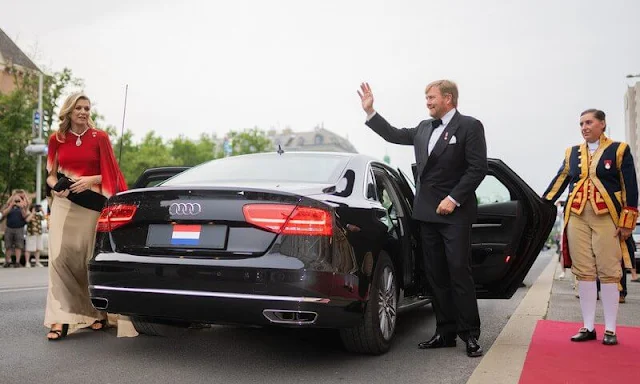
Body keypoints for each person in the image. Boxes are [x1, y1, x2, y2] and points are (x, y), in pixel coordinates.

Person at [358, 80, 488, 357]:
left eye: (431, 97)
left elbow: (478, 169)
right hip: (426, 214)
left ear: (448, 98)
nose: (427, 102)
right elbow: (393, 134)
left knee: (458, 272)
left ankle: (470, 335)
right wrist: (371, 112)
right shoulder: (423, 128)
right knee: (435, 275)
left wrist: (453, 199)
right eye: (426, 98)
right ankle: (445, 332)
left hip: (456, 212)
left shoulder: (470, 126)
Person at [543, 109, 638, 346]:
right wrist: (542, 203)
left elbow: (630, 187)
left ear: (602, 124)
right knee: (583, 271)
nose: (584, 127)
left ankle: (610, 329)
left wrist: (627, 222)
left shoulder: (619, 149)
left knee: (609, 271)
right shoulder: (572, 152)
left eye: (589, 122)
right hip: (576, 216)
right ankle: (587, 326)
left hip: (607, 217)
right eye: (581, 123)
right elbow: (560, 180)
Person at [44, 92, 127, 341]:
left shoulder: (99, 137)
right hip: (64, 205)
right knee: (59, 259)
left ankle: (96, 314)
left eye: (87, 108)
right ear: (69, 111)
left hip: (91, 206)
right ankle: (59, 319)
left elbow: (111, 173)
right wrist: (56, 188)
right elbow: (50, 173)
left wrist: (90, 180)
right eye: (78, 108)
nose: (83, 112)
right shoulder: (56, 139)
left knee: (86, 260)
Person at [1, 191, 31, 268]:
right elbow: (4, 213)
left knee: (19, 246)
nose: (16, 201)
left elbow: (25, 216)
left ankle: (17, 262)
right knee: (8, 246)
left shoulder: (23, 206)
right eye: (15, 200)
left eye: (18, 200)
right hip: (9, 228)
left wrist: (21, 207)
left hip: (19, 228)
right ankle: (7, 261)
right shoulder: (8, 206)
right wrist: (11, 205)